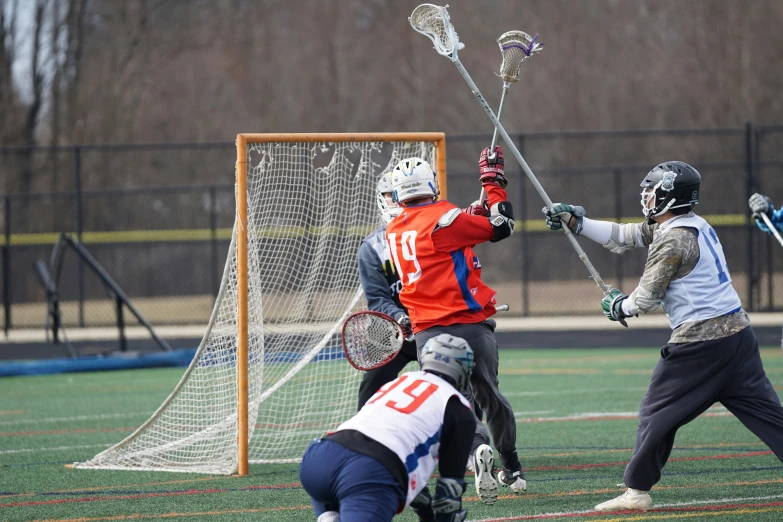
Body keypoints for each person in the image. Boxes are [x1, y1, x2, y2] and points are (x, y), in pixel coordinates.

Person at [543, 161, 783, 512]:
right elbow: (624, 237)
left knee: (657, 413)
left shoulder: (674, 238)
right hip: (738, 336)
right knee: (766, 414)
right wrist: (578, 223)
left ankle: (637, 492)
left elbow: (646, 297)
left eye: (652, 190)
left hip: (701, 344)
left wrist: (618, 306)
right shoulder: (691, 224)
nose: (646, 196)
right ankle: (637, 488)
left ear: (669, 195)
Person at [385, 148, 526, 504]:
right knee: (489, 397)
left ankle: (476, 446)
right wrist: (493, 183)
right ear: (430, 183)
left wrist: (468, 215)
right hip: (469, 325)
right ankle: (511, 465)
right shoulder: (445, 218)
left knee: (454, 401)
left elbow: (443, 236)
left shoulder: (392, 230)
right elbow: (502, 226)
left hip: (428, 332)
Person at [299, 334, 477, 522]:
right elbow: (448, 495)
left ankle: (328, 515)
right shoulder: (458, 409)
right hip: (368, 470)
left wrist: (425, 510)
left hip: (320, 456)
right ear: (463, 369)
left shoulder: (400, 381)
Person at [355, 172, 418, 409]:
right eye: (392, 195)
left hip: (429, 322)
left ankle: (470, 439)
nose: (397, 200)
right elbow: (377, 298)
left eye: (401, 194)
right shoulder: (372, 247)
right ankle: (364, 438)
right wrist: (400, 317)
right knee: (373, 386)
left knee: (459, 378)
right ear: (382, 198)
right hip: (388, 329)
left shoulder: (431, 234)